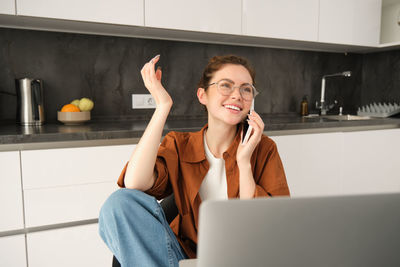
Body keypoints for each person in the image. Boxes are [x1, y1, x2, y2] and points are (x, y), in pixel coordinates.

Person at [99, 55, 290, 267]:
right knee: (119, 203)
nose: (237, 95)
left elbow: (270, 226)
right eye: (226, 85)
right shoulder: (180, 145)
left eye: (246, 89)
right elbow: (134, 183)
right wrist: (162, 106)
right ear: (202, 95)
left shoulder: (264, 148)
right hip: (184, 259)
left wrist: (244, 163)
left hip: (242, 259)